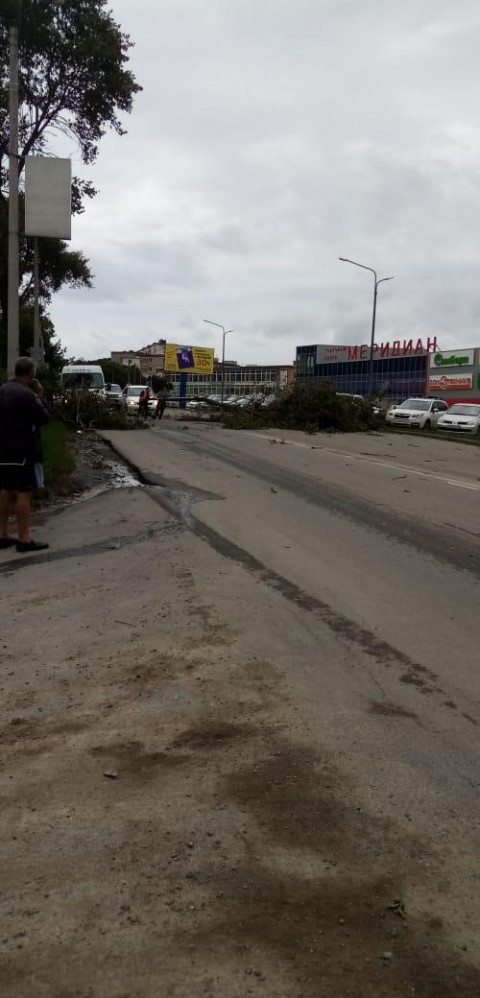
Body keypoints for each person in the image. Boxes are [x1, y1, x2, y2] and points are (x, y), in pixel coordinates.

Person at [0, 357, 50, 553]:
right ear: (31, 374)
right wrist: (39, 395)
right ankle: (24, 539)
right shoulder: (26, 394)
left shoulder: (2, 389)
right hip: (22, 449)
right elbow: (44, 418)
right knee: (23, 492)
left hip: (2, 449)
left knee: (5, 489)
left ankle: (2, 534)